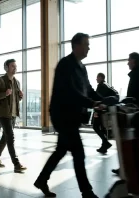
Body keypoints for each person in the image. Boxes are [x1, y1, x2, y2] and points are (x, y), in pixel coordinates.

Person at [34, 33, 102, 198]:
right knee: (79, 153)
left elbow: (88, 89)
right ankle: (87, 192)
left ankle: (42, 180)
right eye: (86, 44)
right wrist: (92, 103)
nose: (89, 47)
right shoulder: (65, 64)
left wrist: (104, 100)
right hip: (63, 115)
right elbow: (70, 92)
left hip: (72, 116)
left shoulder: (81, 67)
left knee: (61, 150)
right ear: (76, 46)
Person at [0, 59, 26, 173]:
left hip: (13, 114)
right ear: (6, 68)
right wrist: (4, 94)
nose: (15, 68)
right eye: (12, 66)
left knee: (5, 137)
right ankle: (16, 164)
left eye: (16, 66)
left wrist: (20, 96)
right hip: (3, 114)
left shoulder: (17, 82)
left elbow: (16, 99)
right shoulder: (0, 81)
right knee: (10, 137)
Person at [112, 52, 139, 176]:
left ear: (134, 61)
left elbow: (134, 95)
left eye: (129, 60)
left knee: (132, 140)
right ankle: (127, 167)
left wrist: (128, 101)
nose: (127, 62)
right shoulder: (136, 74)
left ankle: (128, 167)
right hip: (136, 111)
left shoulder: (137, 75)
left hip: (137, 112)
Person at [93, 73, 118, 154]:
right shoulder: (107, 85)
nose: (96, 79)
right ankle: (104, 146)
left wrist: (96, 109)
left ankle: (105, 143)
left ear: (101, 77)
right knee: (102, 127)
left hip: (101, 109)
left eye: (97, 77)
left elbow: (99, 99)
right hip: (106, 109)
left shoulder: (101, 86)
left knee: (95, 126)